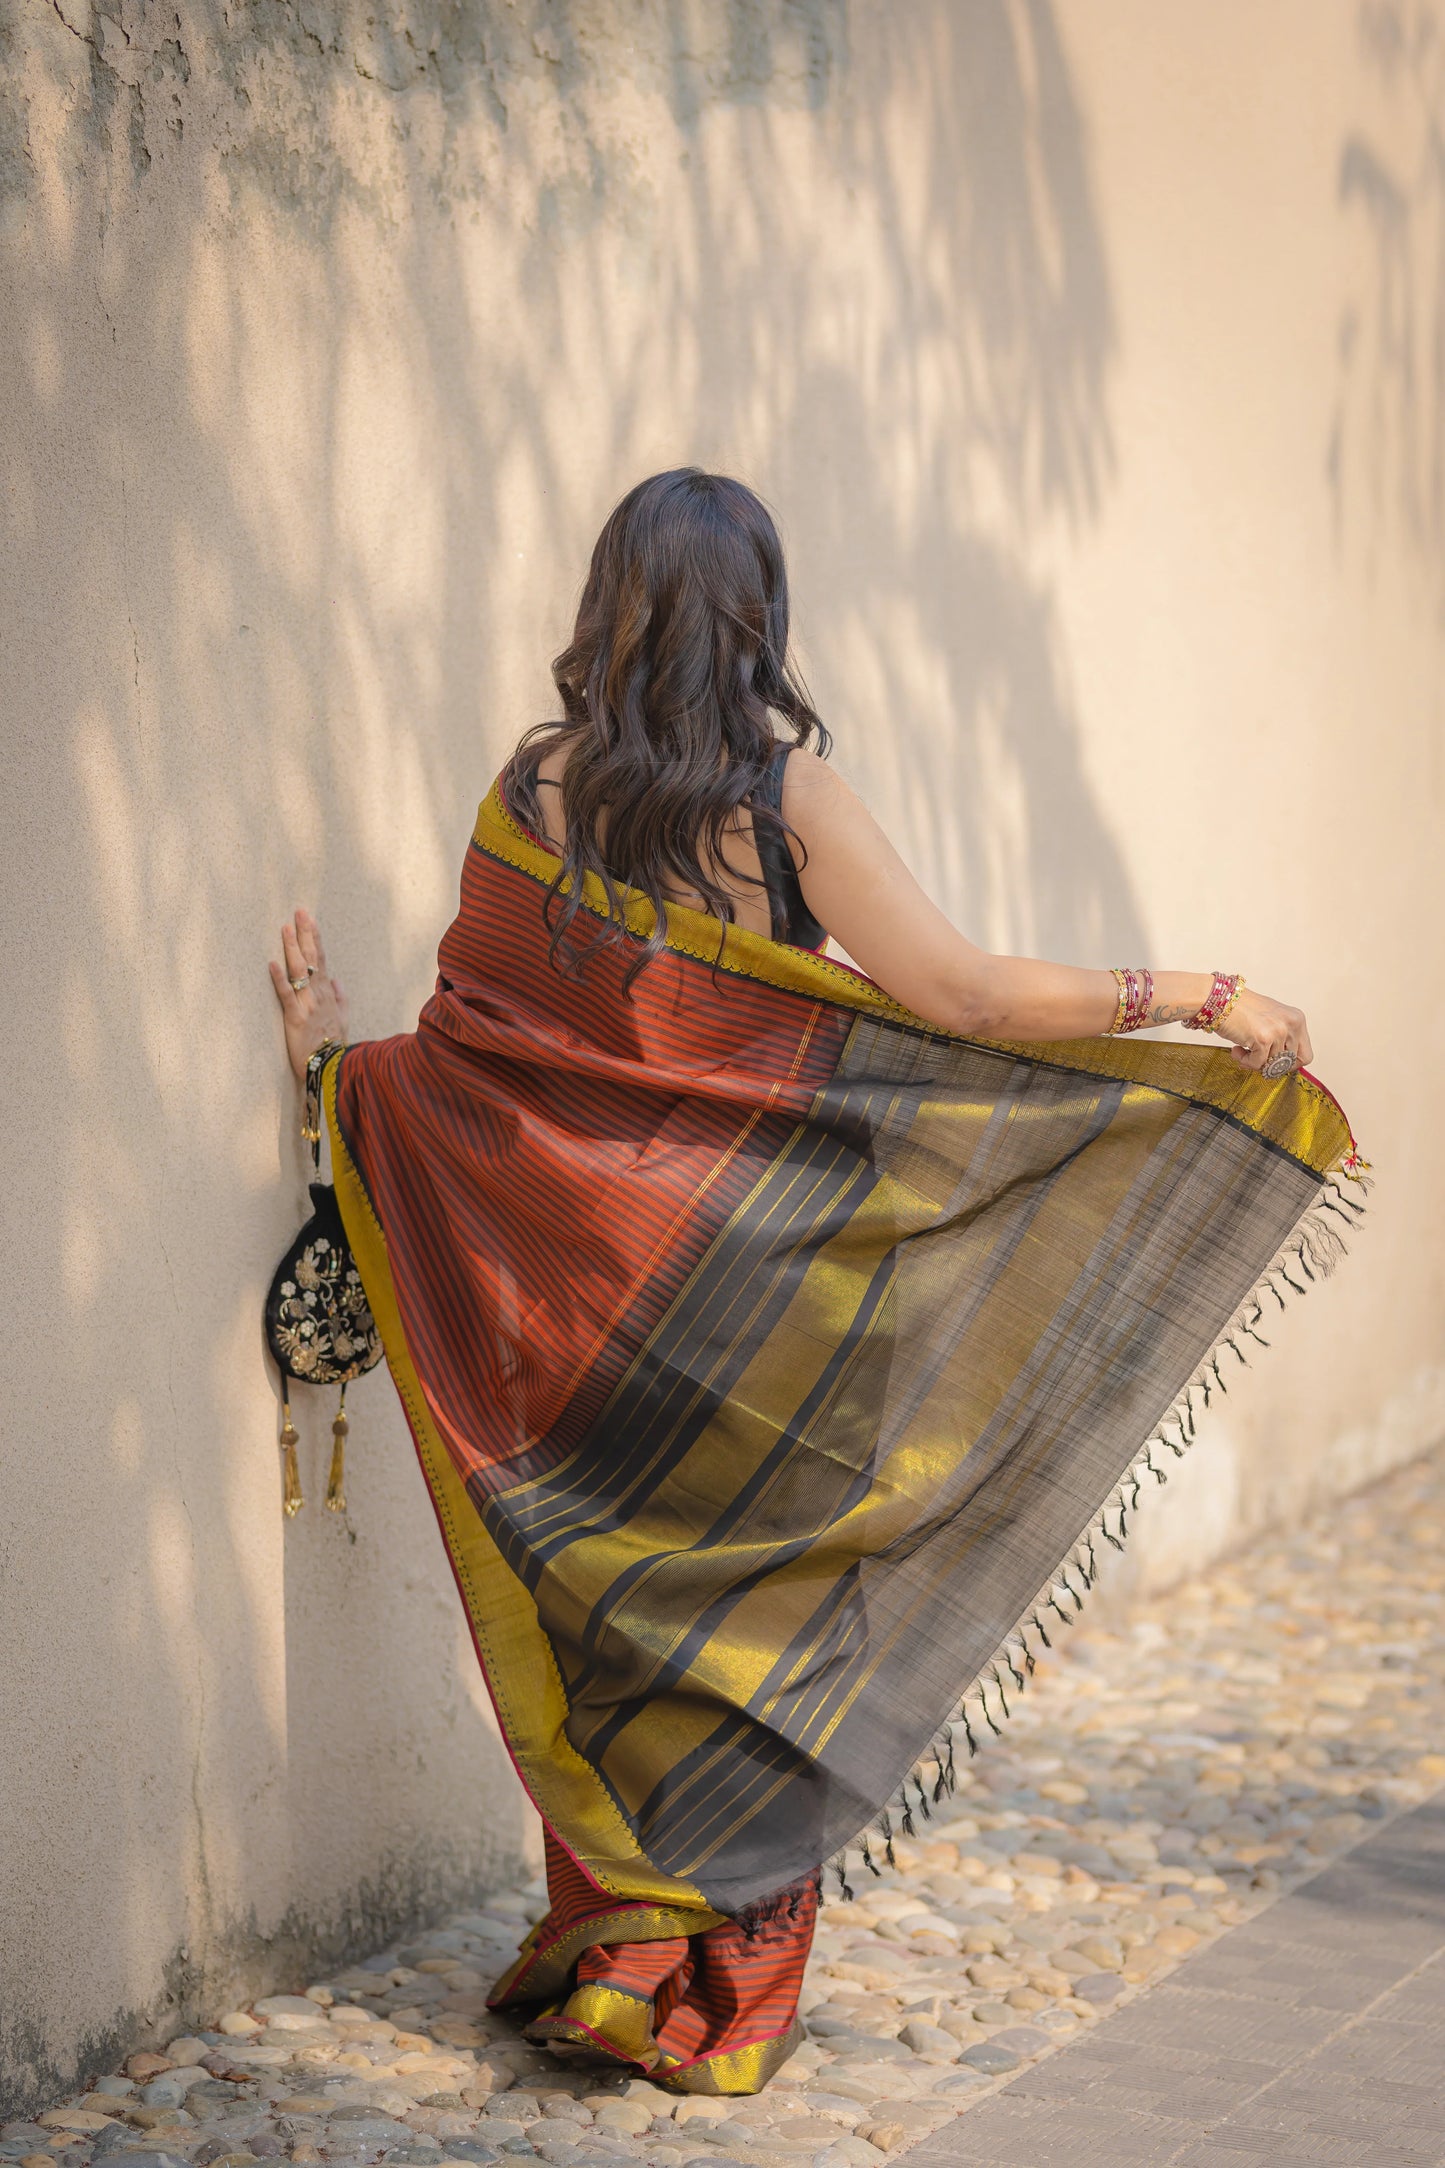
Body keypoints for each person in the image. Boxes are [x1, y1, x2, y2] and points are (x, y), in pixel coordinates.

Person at [269, 469, 1360, 2094]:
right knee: (775, 1623)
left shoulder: (529, 789)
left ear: (605, 608)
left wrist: (334, 1074)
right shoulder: (785, 803)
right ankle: (725, 2003)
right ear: (758, 617)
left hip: (582, 1304)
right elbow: (964, 994)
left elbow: (481, 1056)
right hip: (776, 1301)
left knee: (608, 1612)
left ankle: (623, 1964)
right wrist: (1195, 993)